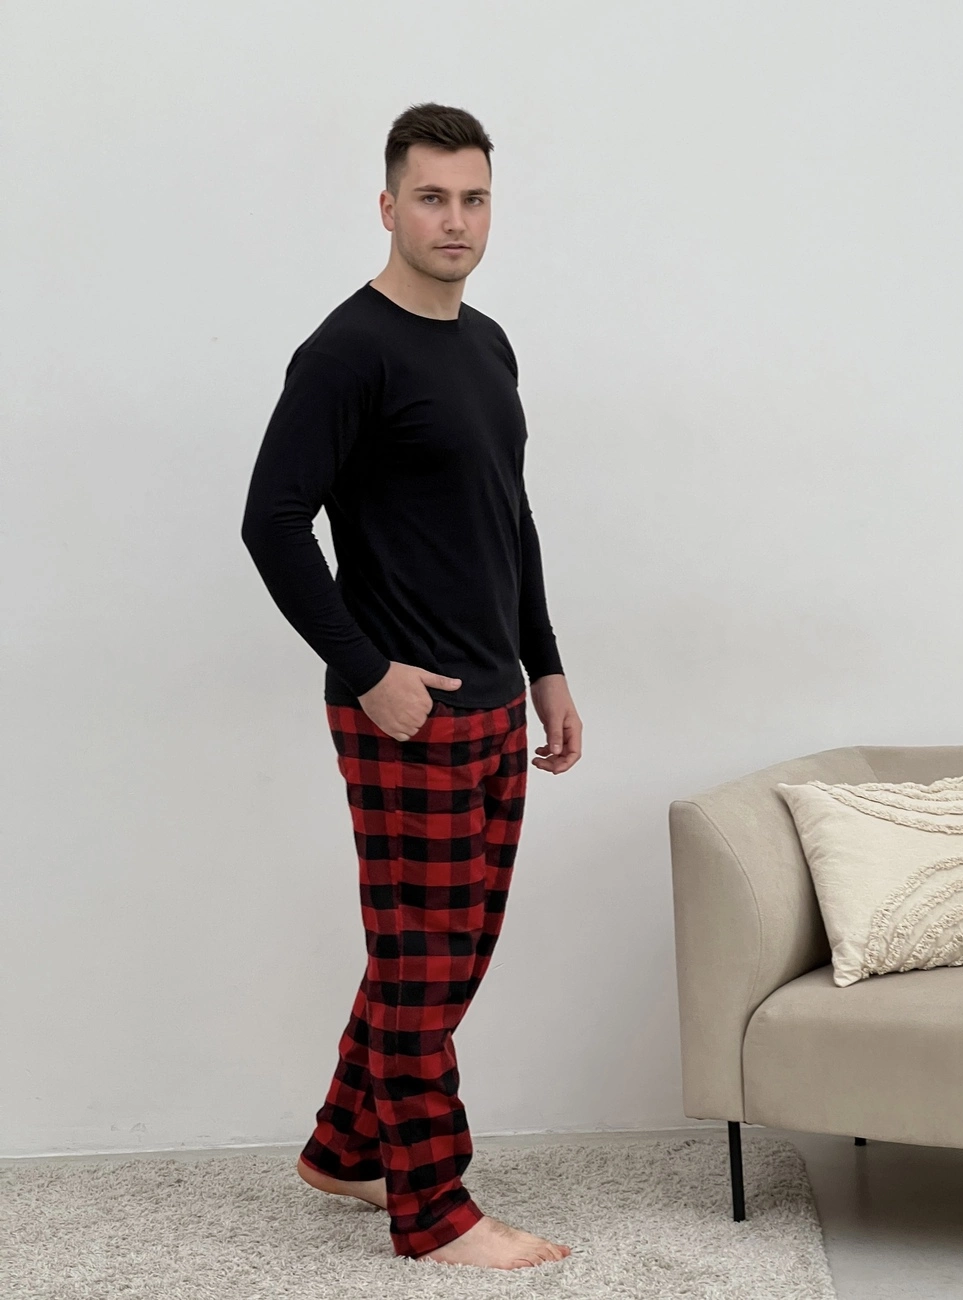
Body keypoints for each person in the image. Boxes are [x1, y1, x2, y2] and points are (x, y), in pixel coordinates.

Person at [240, 101, 582, 1271]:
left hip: (491, 699)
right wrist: (368, 669)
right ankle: (433, 1210)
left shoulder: (487, 345)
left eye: (473, 198)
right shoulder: (348, 352)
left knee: (441, 952)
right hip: (406, 708)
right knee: (425, 961)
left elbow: (507, 518)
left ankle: (345, 1146)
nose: (455, 219)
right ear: (388, 207)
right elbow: (272, 521)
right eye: (431, 197)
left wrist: (545, 666)